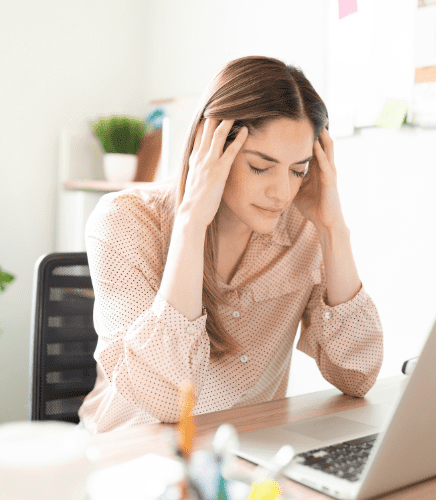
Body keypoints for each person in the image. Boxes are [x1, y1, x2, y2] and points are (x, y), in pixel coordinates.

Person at [78, 56, 384, 434]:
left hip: (243, 460)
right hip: (131, 455)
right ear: (211, 147)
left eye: (298, 170)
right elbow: (167, 402)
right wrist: (191, 223)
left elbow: (358, 375)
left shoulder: (306, 231)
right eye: (260, 166)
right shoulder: (124, 222)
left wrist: (333, 228)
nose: (282, 192)